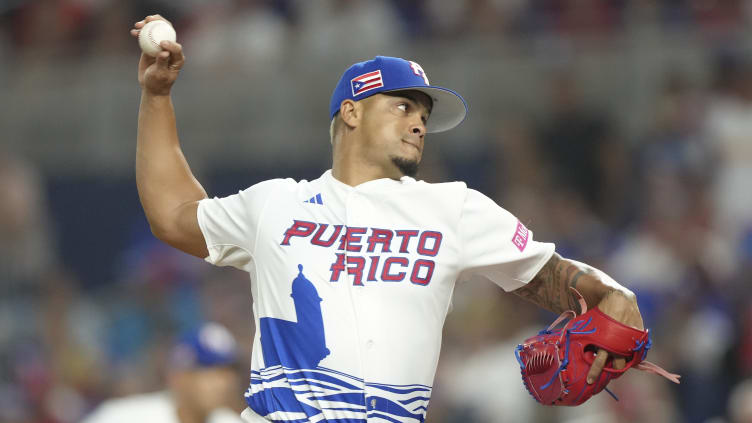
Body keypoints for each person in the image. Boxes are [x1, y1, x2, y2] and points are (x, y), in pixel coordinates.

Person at [130, 15, 648, 423]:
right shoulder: (276, 204)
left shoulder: (452, 208)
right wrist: (156, 98)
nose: (420, 123)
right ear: (351, 112)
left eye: (424, 115)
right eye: (403, 107)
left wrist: (608, 294)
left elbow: (549, 274)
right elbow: (173, 215)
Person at [81, 322, 245, 423]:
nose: (223, 383)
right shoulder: (125, 416)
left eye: (227, 372)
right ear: (179, 376)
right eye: (209, 371)